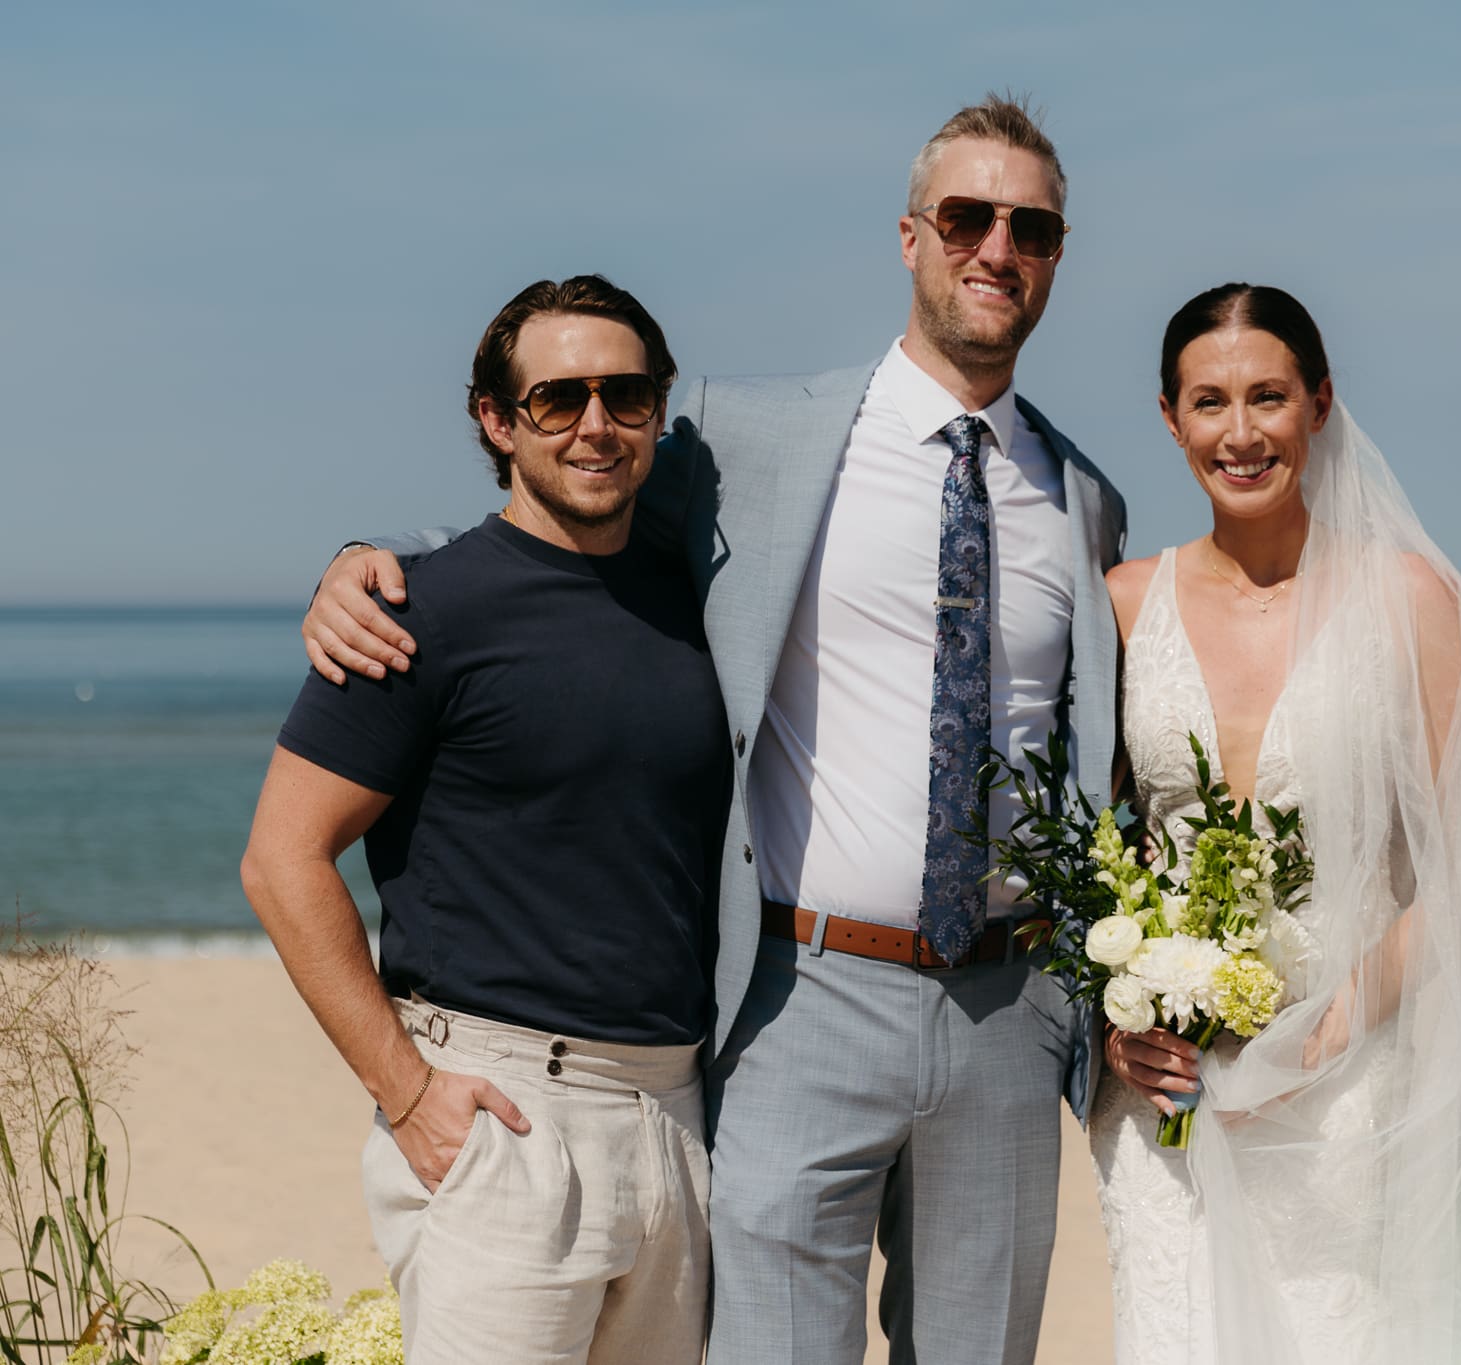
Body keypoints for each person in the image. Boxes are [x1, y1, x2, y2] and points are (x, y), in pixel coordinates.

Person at [298, 96, 1125, 1365]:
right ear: (910, 237)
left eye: (1030, 226)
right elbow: (569, 505)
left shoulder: (1084, 499)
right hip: (800, 998)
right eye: (966, 217)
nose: (995, 248)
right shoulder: (755, 438)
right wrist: (375, 557)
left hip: (1008, 1012)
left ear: (1057, 254)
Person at [242, 276, 721, 1363]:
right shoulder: (418, 612)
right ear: (496, 421)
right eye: (557, 399)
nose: (595, 424)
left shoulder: (700, 598)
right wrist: (406, 1094)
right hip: (504, 1116)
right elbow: (282, 861)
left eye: (626, 393)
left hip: (678, 1115)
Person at [1094, 284, 1461, 1362]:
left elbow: (1457, 868)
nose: (1240, 433)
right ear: (1168, 417)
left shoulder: (1407, 599)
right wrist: (1118, 1019)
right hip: (1171, 1100)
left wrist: (1322, 1032)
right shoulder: (1121, 600)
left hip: (1350, 1096)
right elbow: (1095, 853)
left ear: (1318, 406)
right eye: (1209, 403)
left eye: (1267, 397)